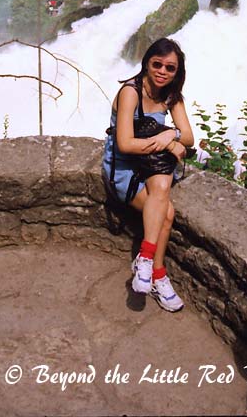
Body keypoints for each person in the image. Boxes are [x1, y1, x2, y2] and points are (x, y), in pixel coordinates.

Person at [102, 37, 194, 312]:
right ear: (146, 63)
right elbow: (125, 144)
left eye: (170, 68)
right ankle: (157, 273)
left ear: (177, 72)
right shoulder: (130, 92)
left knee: (162, 188)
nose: (162, 72)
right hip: (125, 166)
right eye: (157, 64)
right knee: (166, 213)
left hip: (152, 165)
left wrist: (173, 134)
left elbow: (188, 136)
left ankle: (146, 261)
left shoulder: (171, 95)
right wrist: (168, 143)